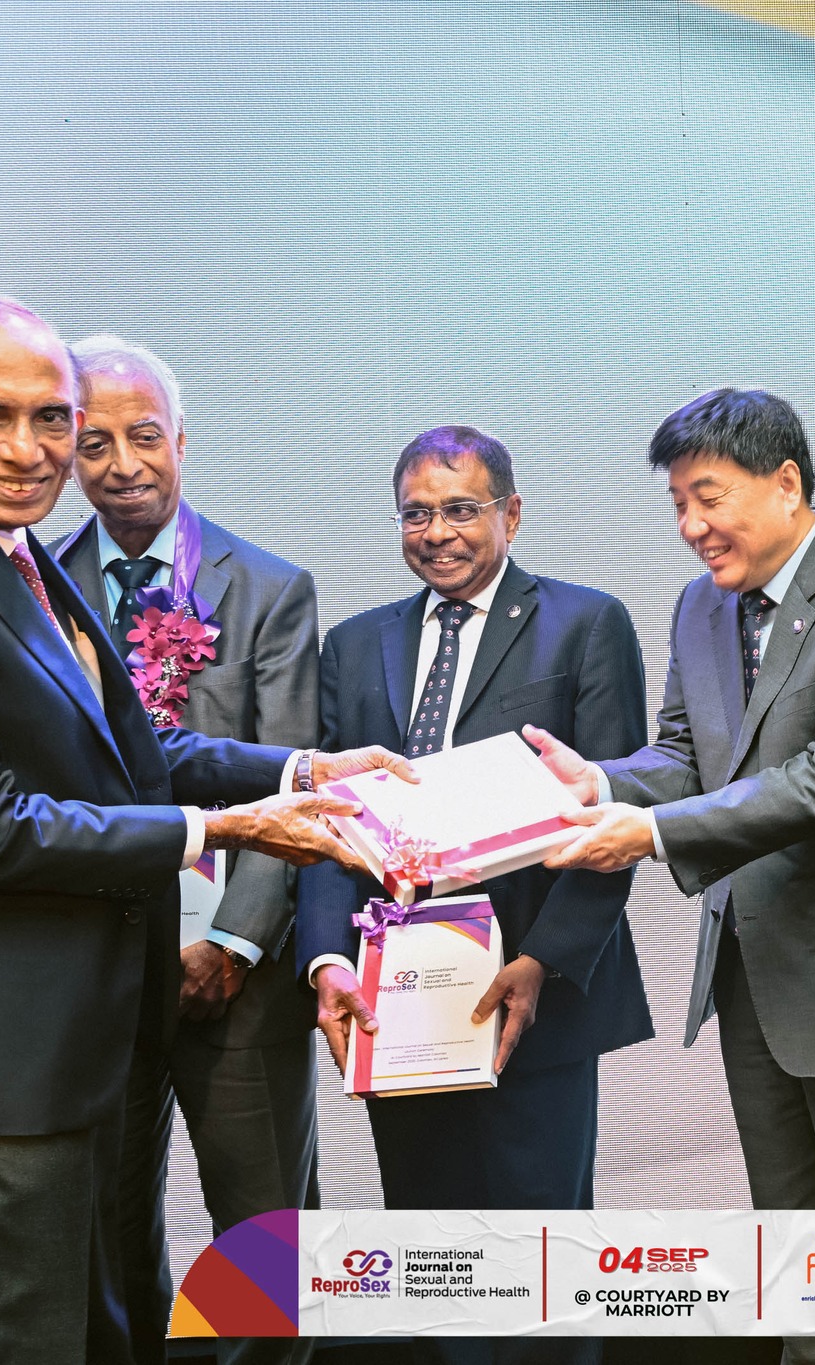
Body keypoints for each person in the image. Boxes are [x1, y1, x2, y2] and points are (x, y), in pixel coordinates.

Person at [0, 292, 409, 1365]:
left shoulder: (4, 548)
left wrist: (303, 768)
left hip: (75, 1040)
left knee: (99, 1330)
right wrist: (221, 826)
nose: (26, 448)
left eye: (50, 417)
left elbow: (120, 750)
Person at [532, 388, 815, 1365]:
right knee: (804, 1279)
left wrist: (650, 833)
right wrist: (600, 782)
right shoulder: (701, 607)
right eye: (677, 506)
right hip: (758, 984)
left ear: (785, 484)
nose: (691, 526)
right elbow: (683, 754)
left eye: (708, 498)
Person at [295, 424, 653, 1365]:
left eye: (461, 509)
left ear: (511, 513)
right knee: (434, 1255)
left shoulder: (585, 623)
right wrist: (327, 958)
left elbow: (614, 813)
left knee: (541, 1258)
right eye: (416, 514)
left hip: (531, 993)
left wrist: (543, 961)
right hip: (398, 1003)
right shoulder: (354, 644)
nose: (437, 532)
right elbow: (330, 825)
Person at [50, 336, 322, 1365]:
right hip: (92, 968)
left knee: (264, 1237)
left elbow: (293, 785)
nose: (123, 464)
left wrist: (237, 943)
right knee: (104, 1232)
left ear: (181, 441)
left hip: (235, 973)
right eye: (95, 443)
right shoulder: (33, 588)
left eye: (145, 436)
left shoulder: (268, 588)